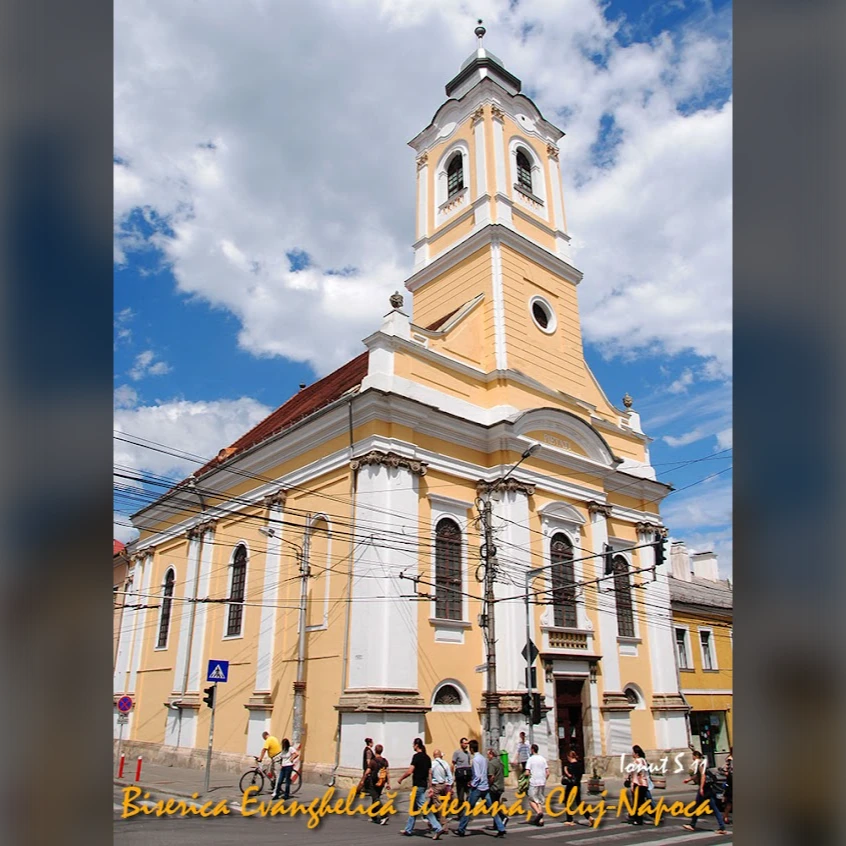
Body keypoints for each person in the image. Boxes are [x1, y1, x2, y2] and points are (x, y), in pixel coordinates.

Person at [455, 740, 505, 837]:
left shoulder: (475, 760)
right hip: (485, 787)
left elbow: (477, 775)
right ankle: (501, 828)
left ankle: (461, 829)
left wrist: (472, 784)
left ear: (471, 749)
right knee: (492, 809)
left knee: (468, 808)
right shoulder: (484, 759)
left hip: (478, 788)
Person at [399, 737, 444, 839]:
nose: (412, 746)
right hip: (423, 785)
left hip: (417, 786)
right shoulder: (427, 758)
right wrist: (431, 786)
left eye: (413, 744)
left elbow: (410, 771)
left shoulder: (416, 757)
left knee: (424, 809)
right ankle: (408, 829)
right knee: (413, 808)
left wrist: (401, 779)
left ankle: (437, 827)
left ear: (416, 745)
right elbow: (430, 773)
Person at [682, 750, 728, 834]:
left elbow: (703, 776)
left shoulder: (700, 764)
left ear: (696, 756)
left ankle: (692, 825)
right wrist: (689, 779)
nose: (692, 757)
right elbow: (698, 775)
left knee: (697, 807)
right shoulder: (701, 763)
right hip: (708, 789)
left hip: (705, 789)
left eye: (693, 756)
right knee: (713, 807)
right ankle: (722, 827)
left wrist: (701, 788)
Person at [561, 749, 592, 826]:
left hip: (570, 786)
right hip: (577, 785)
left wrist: (566, 771)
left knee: (567, 802)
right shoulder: (579, 764)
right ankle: (589, 817)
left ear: (569, 756)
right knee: (579, 802)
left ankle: (570, 820)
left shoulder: (570, 766)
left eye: (568, 757)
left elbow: (570, 776)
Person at [626, 745, 652, 825]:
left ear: (636, 753)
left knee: (637, 803)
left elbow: (635, 772)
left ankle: (638, 820)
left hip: (638, 784)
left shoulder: (637, 761)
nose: (632, 754)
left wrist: (629, 777)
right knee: (641, 802)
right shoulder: (644, 760)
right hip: (644, 783)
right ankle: (633, 816)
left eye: (633, 752)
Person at [365, 743, 391, 825]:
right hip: (381, 782)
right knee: (375, 798)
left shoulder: (373, 761)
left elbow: (367, 772)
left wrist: (363, 779)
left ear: (375, 750)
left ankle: (384, 815)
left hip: (374, 782)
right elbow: (387, 772)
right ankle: (373, 816)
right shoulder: (385, 761)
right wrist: (388, 783)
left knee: (376, 799)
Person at [524, 743, 549, 826]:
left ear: (532, 750)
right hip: (542, 782)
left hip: (534, 781)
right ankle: (541, 820)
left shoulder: (530, 759)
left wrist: (524, 778)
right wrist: (544, 779)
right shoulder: (543, 759)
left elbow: (527, 772)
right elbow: (548, 772)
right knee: (539, 800)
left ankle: (539, 813)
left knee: (531, 800)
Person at [430, 748, 454, 832]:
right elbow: (450, 776)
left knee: (437, 805)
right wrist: (449, 785)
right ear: (440, 755)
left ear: (434, 756)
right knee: (434, 804)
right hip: (444, 785)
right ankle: (432, 821)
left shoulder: (432, 764)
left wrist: (430, 786)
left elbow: (429, 775)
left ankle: (443, 824)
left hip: (435, 786)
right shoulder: (445, 763)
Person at [486, 748, 508, 832]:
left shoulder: (491, 763)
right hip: (500, 786)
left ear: (491, 754)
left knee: (491, 805)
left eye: (488, 754)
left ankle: (503, 817)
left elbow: (491, 776)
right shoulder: (500, 762)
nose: (487, 756)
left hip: (494, 787)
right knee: (496, 804)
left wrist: (489, 784)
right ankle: (496, 825)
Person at [452, 737, 472, 810]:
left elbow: (469, 763)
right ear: (461, 744)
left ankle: (467, 807)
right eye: (465, 743)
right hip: (460, 776)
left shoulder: (468, 753)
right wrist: (452, 776)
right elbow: (453, 764)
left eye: (467, 743)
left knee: (469, 793)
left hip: (467, 776)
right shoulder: (457, 753)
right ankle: (460, 810)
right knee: (460, 794)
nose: (466, 745)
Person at [722, 747, 733, 824]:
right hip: (731, 781)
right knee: (730, 801)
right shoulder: (730, 759)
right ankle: (725, 816)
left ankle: (725, 816)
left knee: (730, 802)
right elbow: (726, 769)